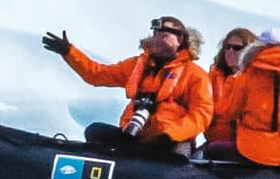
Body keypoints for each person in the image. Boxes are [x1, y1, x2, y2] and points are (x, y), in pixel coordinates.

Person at [43, 15, 215, 157]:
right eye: (155, 32)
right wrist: (69, 52)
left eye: (164, 34)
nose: (157, 37)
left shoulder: (195, 75)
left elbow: (201, 114)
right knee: (94, 131)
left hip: (169, 141)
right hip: (133, 135)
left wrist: (171, 135)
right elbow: (97, 75)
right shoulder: (136, 66)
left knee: (177, 154)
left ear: (180, 39)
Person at [207, 26, 280, 166]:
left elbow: (231, 112)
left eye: (236, 48)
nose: (230, 51)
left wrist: (231, 82)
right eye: (227, 47)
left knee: (211, 150)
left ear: (256, 48)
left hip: (250, 150)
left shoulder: (245, 77)